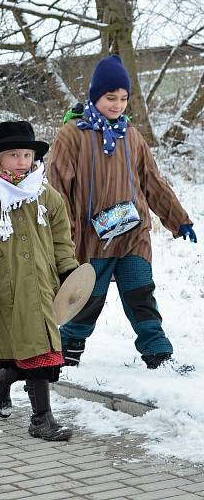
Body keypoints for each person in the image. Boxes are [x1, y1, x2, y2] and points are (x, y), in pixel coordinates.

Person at [47, 55, 196, 370]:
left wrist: (178, 218)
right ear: (95, 96)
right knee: (89, 296)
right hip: (92, 236)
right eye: (110, 97)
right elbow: (57, 189)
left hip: (133, 232)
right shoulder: (72, 134)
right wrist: (65, 233)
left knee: (140, 290)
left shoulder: (132, 135)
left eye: (123, 98)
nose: (117, 105)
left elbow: (152, 182)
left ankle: (157, 352)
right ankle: (68, 347)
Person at [0, 121, 78, 441]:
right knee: (29, 352)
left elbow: (61, 240)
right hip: (5, 292)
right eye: (14, 155)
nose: (23, 161)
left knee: (44, 356)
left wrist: (69, 271)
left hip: (43, 288)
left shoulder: (45, 194)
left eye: (27, 155)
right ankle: (33, 408)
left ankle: (24, 400)